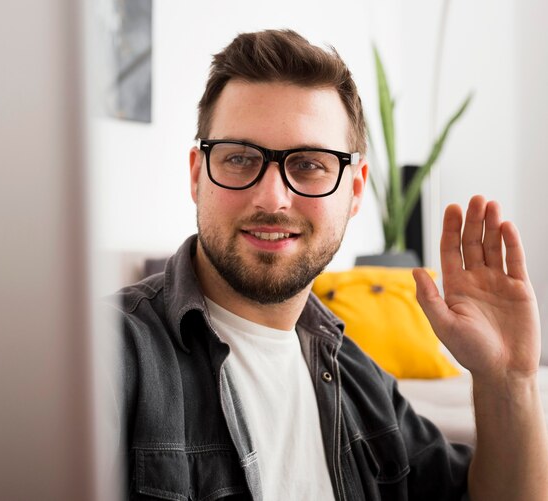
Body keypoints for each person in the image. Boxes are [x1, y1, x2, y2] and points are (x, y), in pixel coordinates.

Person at [108, 29, 548, 500]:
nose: (272, 199)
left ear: (355, 190)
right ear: (198, 174)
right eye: (239, 158)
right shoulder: (105, 352)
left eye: (309, 165)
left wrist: (507, 379)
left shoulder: (360, 379)